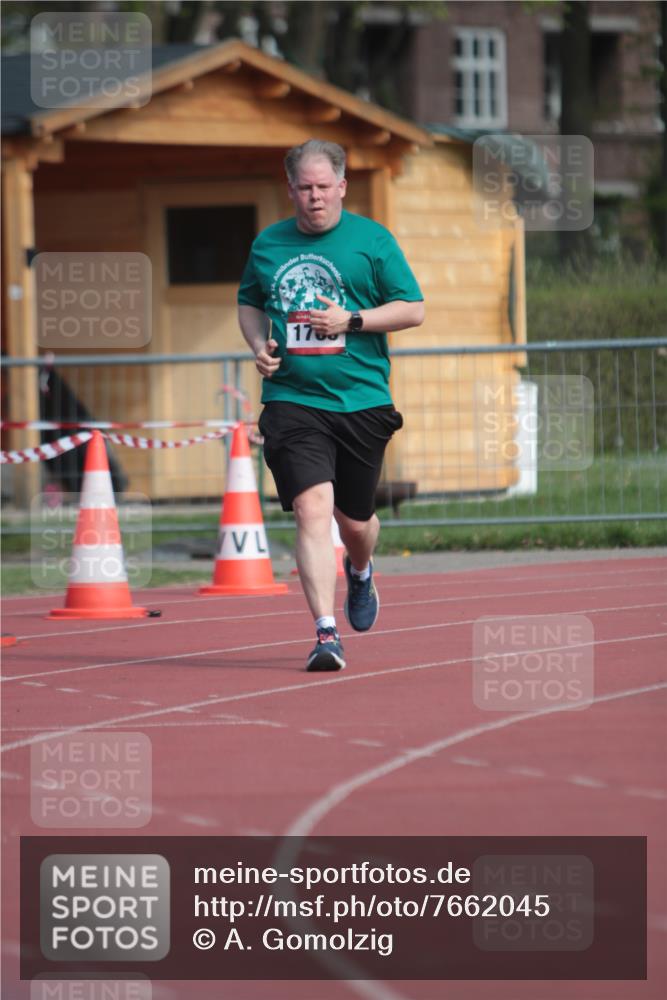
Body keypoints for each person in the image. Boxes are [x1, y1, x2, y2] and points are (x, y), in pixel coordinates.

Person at [238, 139, 424, 672]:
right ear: (290, 189)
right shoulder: (269, 244)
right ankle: (325, 633)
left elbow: (413, 309)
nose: (315, 196)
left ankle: (360, 570)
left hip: (361, 400)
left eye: (324, 186)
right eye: (305, 187)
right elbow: (249, 301)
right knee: (312, 508)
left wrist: (352, 320)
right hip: (293, 398)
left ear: (342, 186)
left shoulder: (372, 240)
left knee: (355, 522)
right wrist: (258, 346)